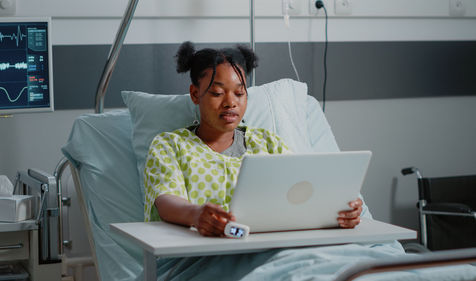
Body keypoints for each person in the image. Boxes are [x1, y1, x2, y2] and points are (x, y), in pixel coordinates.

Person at [143, 41, 362, 237]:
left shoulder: (268, 143)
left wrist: (340, 209)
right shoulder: (171, 145)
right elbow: (165, 200)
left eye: (239, 93)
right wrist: (196, 214)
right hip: (203, 252)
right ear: (194, 94)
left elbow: (301, 191)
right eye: (218, 93)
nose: (231, 103)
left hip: (274, 247)